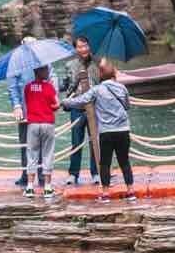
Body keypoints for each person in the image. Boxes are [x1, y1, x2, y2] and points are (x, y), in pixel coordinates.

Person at [61, 59, 136, 202]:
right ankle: (130, 191)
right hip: (123, 130)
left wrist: (64, 102)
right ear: (114, 73)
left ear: (100, 75)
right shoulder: (122, 88)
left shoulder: (97, 90)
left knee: (105, 163)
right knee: (124, 161)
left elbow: (81, 100)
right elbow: (127, 105)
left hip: (106, 132)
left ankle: (106, 193)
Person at [61, 35, 100, 186]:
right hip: (77, 108)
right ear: (76, 49)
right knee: (76, 142)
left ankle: (96, 172)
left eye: (85, 46)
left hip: (94, 107)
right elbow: (66, 85)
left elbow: (103, 83)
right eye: (80, 47)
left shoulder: (97, 63)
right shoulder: (70, 65)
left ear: (89, 46)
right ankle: (73, 174)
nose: (83, 49)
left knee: (94, 141)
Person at [23, 64, 60, 199]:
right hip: (47, 123)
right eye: (46, 70)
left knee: (32, 154)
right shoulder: (49, 87)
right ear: (41, 72)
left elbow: (27, 103)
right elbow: (56, 104)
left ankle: (30, 187)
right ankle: (48, 187)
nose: (48, 71)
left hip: (32, 124)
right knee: (47, 154)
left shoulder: (27, 87)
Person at [7, 36, 39, 188]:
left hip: (41, 107)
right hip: (25, 109)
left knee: (42, 143)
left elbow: (52, 78)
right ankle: (26, 174)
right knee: (25, 143)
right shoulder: (16, 61)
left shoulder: (43, 59)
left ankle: (42, 174)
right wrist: (16, 105)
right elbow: (12, 85)